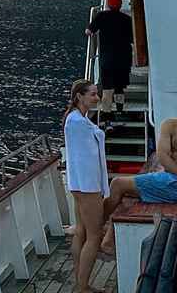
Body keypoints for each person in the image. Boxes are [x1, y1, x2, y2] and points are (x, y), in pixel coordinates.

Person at [106, 94, 177, 209]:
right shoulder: (170, 126)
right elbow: (163, 157)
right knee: (120, 187)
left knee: (118, 184)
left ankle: (98, 225)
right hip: (176, 180)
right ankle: (104, 224)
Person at [63, 79, 108, 293]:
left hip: (81, 184)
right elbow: (84, 159)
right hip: (87, 185)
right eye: (92, 94)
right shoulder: (77, 122)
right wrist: (96, 188)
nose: (96, 97)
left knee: (81, 231)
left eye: (96, 93)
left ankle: (80, 281)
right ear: (79, 96)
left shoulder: (78, 119)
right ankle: (83, 287)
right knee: (94, 235)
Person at [86, 0, 133, 116]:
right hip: (123, 59)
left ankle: (107, 117)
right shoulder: (127, 19)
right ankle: (120, 111)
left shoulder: (102, 16)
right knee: (119, 88)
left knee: (107, 89)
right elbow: (133, 39)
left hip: (107, 59)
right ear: (120, 5)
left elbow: (89, 31)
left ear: (108, 4)